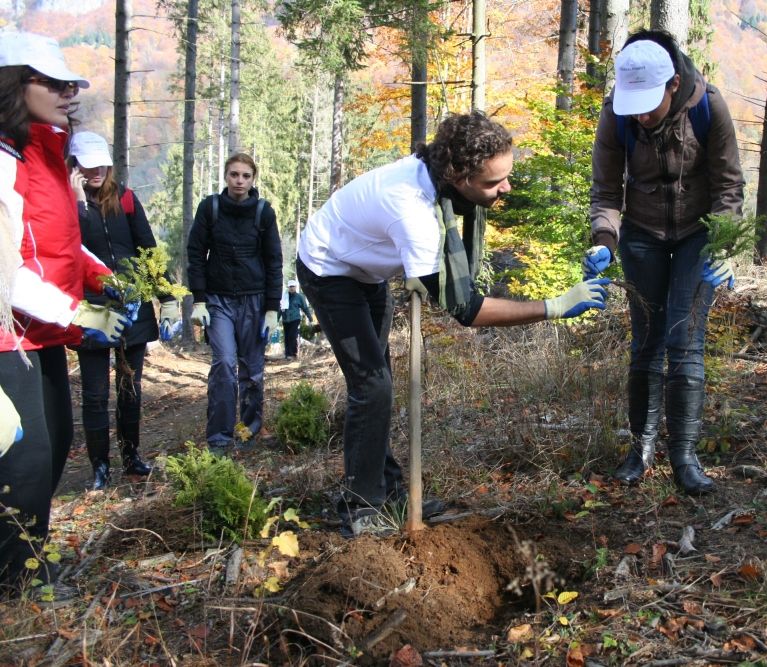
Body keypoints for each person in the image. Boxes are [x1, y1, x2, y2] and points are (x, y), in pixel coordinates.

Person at [297, 111, 610, 537]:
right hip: (329, 268)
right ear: (457, 174)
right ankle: (360, 504)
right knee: (372, 385)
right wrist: (552, 306)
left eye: (507, 175)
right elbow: (468, 311)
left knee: (379, 382)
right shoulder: (413, 211)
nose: (506, 188)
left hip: (366, 270)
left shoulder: (439, 181)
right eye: (493, 183)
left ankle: (385, 488)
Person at [585, 31, 745, 494]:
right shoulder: (618, 115)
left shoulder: (708, 107)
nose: (641, 114)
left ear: (673, 85)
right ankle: (640, 450)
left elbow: (729, 187)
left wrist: (723, 243)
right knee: (648, 339)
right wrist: (604, 240)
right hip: (641, 234)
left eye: (650, 105)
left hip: (700, 234)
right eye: (634, 105)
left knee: (685, 337)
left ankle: (684, 458)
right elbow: (606, 190)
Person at [0, 32, 129, 590]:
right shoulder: (5, 159)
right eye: (52, 82)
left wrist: (105, 277)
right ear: (13, 83)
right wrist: (81, 313)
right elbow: (7, 268)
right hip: (8, 335)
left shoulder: (46, 154)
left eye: (70, 83)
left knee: (51, 451)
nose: (68, 92)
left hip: (43, 331)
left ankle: (26, 561)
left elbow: (59, 239)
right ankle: (17, 579)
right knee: (24, 462)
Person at [69, 131, 180, 490]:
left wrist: (168, 297)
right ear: (74, 165)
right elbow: (63, 251)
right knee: (96, 393)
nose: (95, 170)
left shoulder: (126, 199)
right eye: (86, 164)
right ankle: (99, 466)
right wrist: (73, 202)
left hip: (133, 306)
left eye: (100, 163)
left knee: (130, 388)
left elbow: (148, 249)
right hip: (90, 309)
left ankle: (131, 457)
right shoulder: (67, 205)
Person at [187, 152, 282, 454]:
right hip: (218, 301)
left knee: (252, 371)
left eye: (245, 176)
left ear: (253, 179)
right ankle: (219, 438)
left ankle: (249, 432)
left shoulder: (263, 213)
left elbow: (274, 262)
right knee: (225, 365)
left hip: (254, 301)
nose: (239, 181)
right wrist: (199, 300)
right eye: (234, 175)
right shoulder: (210, 209)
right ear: (226, 177)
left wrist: (272, 308)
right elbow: (195, 254)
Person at [280, 279, 312, 360]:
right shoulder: (284, 297)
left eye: (293, 286)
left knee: (292, 336)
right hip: (285, 319)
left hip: (295, 319)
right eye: (290, 286)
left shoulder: (299, 297)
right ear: (288, 287)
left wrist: (310, 318)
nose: (291, 288)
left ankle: (293, 354)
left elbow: (305, 308)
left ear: (295, 287)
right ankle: (287, 354)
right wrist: (275, 319)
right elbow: (280, 308)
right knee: (287, 337)